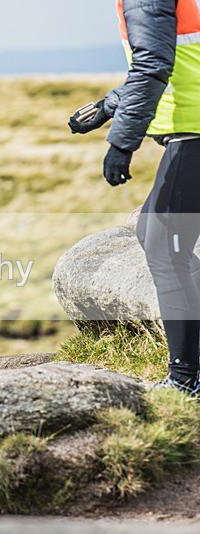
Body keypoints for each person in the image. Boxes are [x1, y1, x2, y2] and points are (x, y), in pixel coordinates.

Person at [69, 0, 200, 394]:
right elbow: (174, 59)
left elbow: (153, 65)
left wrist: (122, 144)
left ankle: (186, 380)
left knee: (164, 249)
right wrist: (109, 106)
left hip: (193, 136)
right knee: (152, 235)